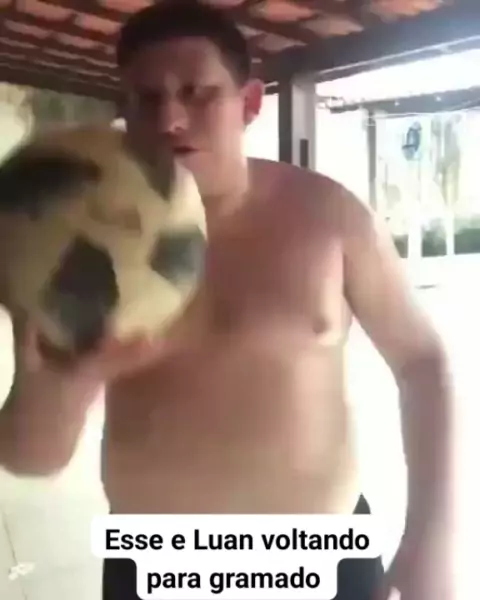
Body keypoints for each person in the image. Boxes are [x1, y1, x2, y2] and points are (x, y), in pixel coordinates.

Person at [0, 2, 455, 599]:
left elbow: (422, 362)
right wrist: (69, 384)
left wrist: (431, 537)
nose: (170, 118)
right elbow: (31, 457)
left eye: (197, 93)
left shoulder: (329, 216)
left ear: (249, 103)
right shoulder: (81, 247)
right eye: (146, 99)